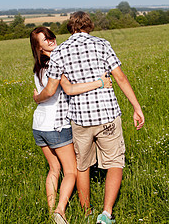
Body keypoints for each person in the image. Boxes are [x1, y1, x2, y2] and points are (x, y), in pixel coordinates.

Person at [33, 12, 145, 224]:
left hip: (80, 120)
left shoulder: (60, 52)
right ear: (89, 26)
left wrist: (37, 98)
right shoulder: (102, 44)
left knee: (82, 166)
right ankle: (106, 214)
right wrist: (136, 106)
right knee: (114, 163)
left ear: (70, 28)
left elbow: (53, 87)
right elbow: (120, 77)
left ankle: (86, 212)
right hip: (107, 115)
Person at [30, 26, 112, 224]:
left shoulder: (38, 67)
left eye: (51, 37)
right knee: (71, 171)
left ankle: (51, 213)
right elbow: (64, 89)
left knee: (53, 169)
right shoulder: (56, 61)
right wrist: (100, 83)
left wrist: (37, 98)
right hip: (56, 125)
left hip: (39, 125)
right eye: (45, 40)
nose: (51, 40)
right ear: (39, 47)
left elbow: (45, 93)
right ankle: (60, 210)